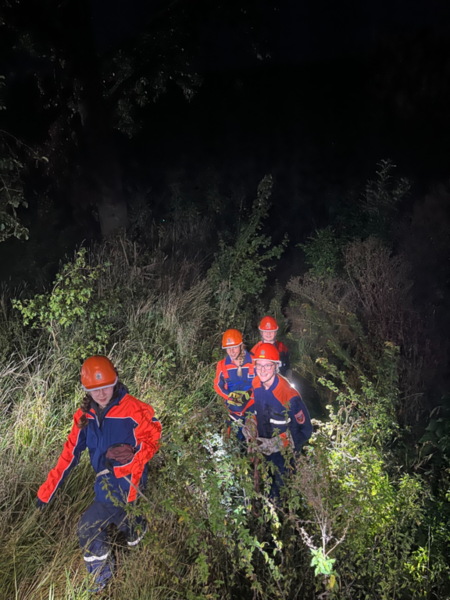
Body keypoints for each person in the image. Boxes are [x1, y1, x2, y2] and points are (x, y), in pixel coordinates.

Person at [36, 355, 161, 592]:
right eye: (95, 389)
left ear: (115, 381)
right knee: (114, 524)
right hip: (104, 484)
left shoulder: (134, 409)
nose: (101, 394)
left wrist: (129, 462)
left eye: (106, 387)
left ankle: (114, 576)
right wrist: (46, 492)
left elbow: (154, 437)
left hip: (130, 483)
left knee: (99, 527)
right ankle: (118, 570)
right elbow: (69, 455)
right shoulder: (84, 417)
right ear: (86, 390)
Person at [244, 343, 312, 500]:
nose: (262, 370)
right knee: (262, 491)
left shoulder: (289, 395)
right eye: (259, 365)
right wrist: (251, 424)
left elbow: (305, 430)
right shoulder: (256, 384)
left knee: (280, 496)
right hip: (262, 451)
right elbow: (253, 410)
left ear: (276, 366)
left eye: (267, 365)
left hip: (284, 457)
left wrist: (278, 444)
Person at [214, 328, 255, 440]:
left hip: (252, 412)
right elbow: (217, 385)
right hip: (232, 414)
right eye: (228, 348)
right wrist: (230, 397)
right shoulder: (222, 365)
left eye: (234, 347)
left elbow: (262, 384)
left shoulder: (254, 362)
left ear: (241, 345)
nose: (231, 352)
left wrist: (249, 395)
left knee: (253, 443)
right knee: (233, 443)